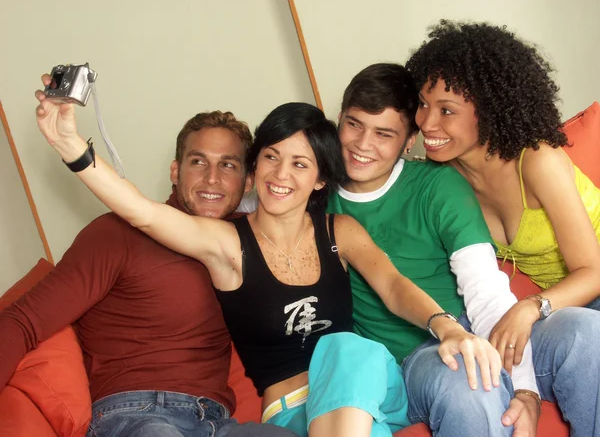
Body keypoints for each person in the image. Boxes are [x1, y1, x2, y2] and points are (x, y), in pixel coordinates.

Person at [35, 77, 501, 437]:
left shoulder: (340, 230)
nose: (282, 175)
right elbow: (142, 213)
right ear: (255, 168)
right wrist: (71, 146)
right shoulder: (226, 243)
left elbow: (395, 287)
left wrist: (448, 327)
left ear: (321, 180)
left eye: (300, 164)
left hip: (365, 389)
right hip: (294, 413)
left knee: (345, 346)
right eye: (271, 158)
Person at [0, 110, 300, 437]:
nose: (212, 178)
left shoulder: (250, 245)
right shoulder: (118, 234)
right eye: (198, 162)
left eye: (228, 165)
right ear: (175, 171)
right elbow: (23, 321)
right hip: (135, 415)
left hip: (217, 422)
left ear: (247, 182)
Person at [404, 19, 600, 436]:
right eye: (422, 104)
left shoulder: (538, 160)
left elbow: (594, 271)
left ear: (489, 110)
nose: (426, 122)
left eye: (447, 110)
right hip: (571, 307)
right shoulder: (446, 178)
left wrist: (530, 307)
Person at [327, 62, 541, 437]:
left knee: (586, 333)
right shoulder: (311, 191)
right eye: (354, 124)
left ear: (409, 141)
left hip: (482, 327)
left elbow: (486, 292)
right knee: (469, 382)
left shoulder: (438, 184)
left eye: (384, 133)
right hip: (417, 354)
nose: (362, 145)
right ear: (339, 119)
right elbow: (254, 191)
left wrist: (526, 389)